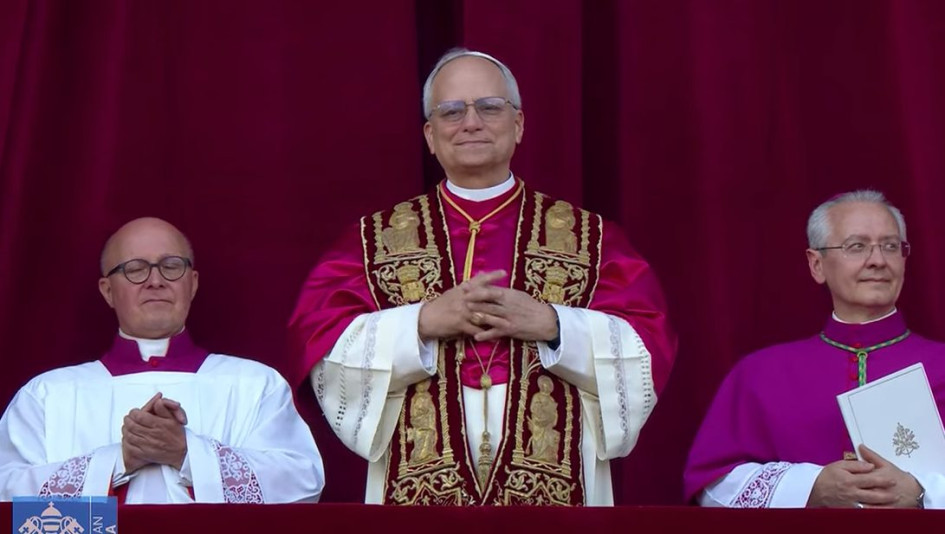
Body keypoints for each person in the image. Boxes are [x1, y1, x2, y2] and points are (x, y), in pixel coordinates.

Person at [288, 48, 676, 505]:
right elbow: (320, 345)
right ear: (430, 136)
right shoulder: (371, 241)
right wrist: (421, 323)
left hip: (555, 470)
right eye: (452, 111)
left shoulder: (590, 237)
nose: (471, 122)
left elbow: (647, 346)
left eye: (489, 107)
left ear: (519, 125)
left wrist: (554, 326)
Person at [0, 217, 325, 504]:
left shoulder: (256, 385)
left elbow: (302, 484)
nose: (155, 281)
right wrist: (118, 461)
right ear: (107, 291)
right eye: (135, 269)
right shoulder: (46, 395)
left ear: (192, 283)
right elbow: (8, 500)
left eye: (171, 266)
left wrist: (188, 454)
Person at [684, 190, 945, 508]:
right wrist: (809, 486)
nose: (877, 260)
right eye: (857, 246)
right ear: (817, 264)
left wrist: (922, 493)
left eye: (891, 246)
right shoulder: (760, 374)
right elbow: (713, 486)